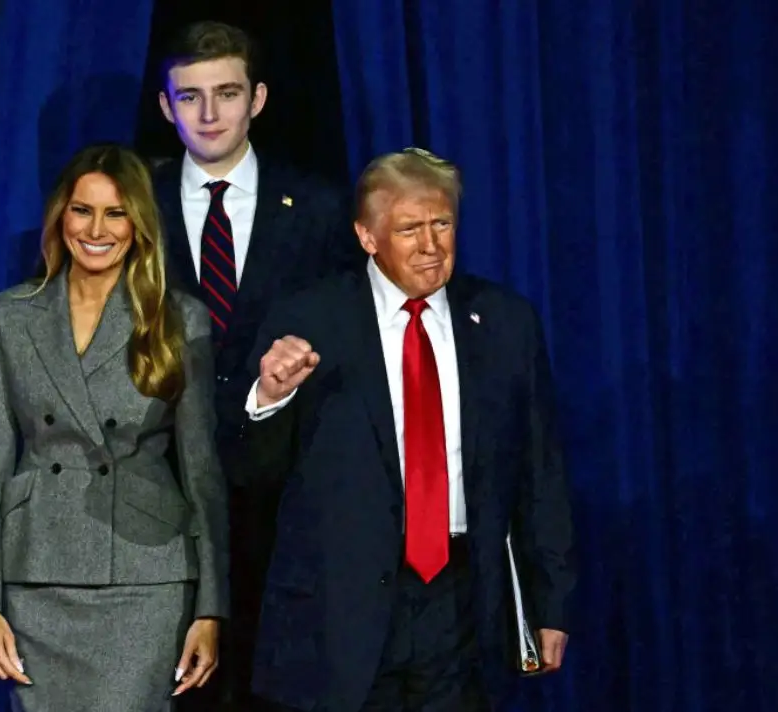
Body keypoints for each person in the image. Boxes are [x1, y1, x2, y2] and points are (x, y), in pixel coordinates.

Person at [232, 148, 577, 712]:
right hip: (342, 612)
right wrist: (269, 398)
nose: (431, 245)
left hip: (462, 606)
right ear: (367, 236)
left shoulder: (504, 322)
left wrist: (551, 601)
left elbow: (540, 472)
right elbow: (249, 471)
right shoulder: (310, 319)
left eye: (442, 224)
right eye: (409, 229)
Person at [0, 144, 230, 712]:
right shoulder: (11, 315)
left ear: (138, 224)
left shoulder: (177, 319)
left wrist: (210, 607)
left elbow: (202, 471)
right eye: (82, 210)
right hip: (37, 572)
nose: (96, 230)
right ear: (61, 215)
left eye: (116, 213)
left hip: (145, 579)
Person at [151, 20, 362, 706]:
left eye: (227, 93)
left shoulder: (320, 208)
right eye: (190, 97)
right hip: (160, 499)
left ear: (258, 99)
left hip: (283, 499)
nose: (209, 114)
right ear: (166, 106)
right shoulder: (133, 205)